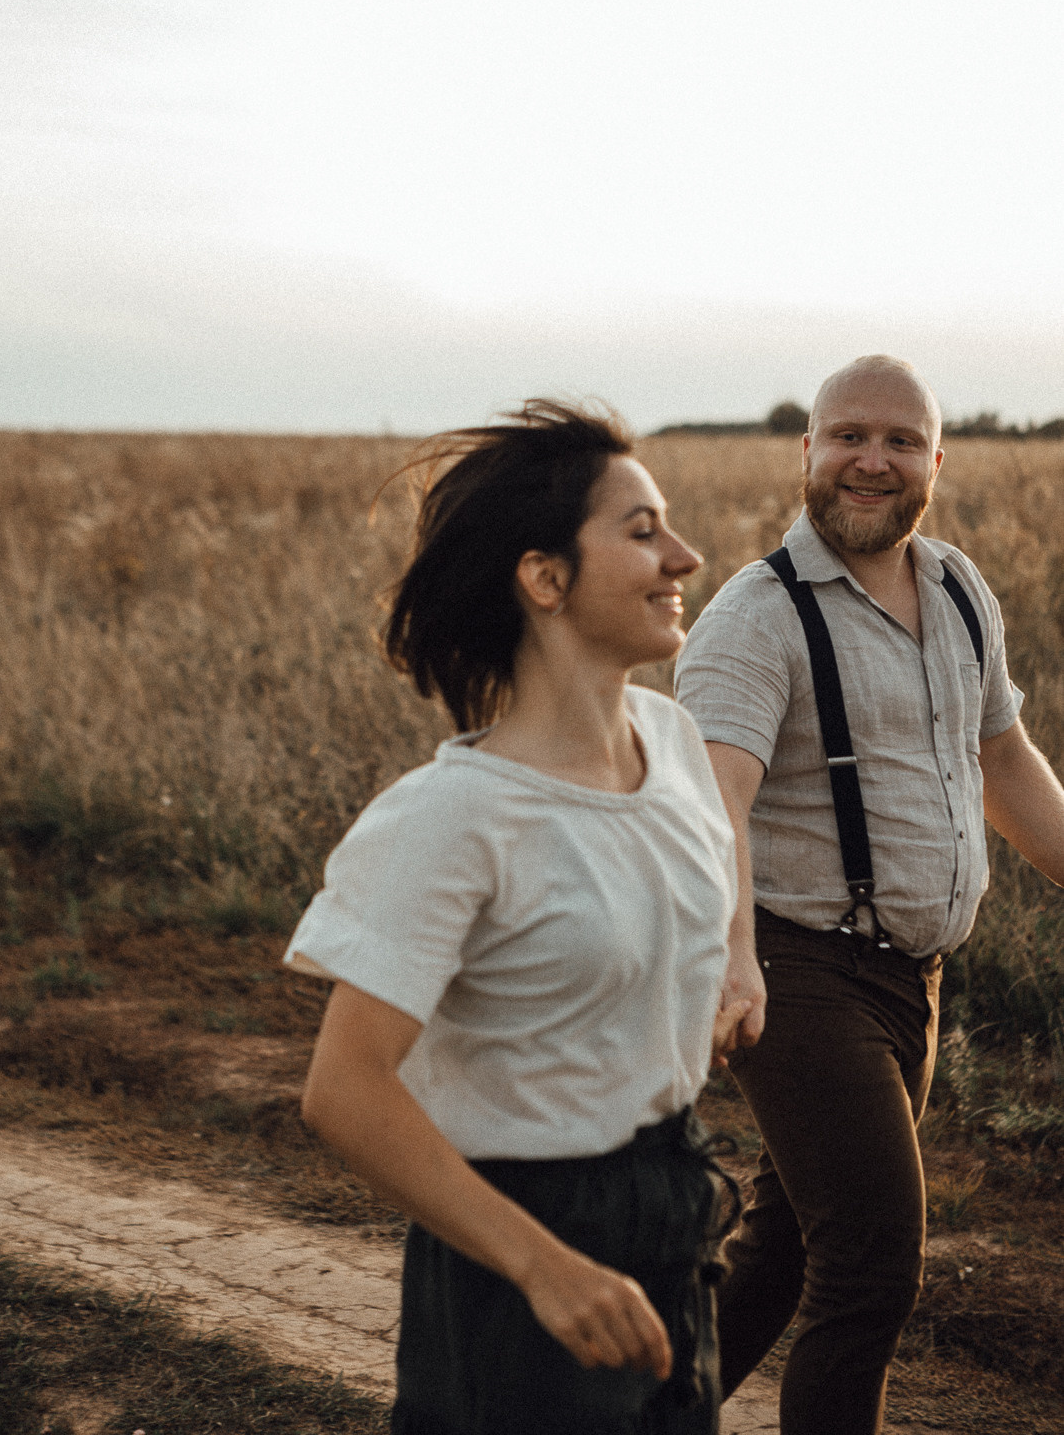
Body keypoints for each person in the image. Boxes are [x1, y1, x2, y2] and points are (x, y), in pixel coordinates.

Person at [284, 400, 750, 1435]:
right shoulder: (453, 817)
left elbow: (689, 886)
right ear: (543, 579)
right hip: (519, 1241)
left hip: (671, 1205)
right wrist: (545, 1268)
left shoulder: (671, 744)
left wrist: (718, 977)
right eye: (640, 531)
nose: (684, 555)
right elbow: (344, 1090)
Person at [674, 355, 1064, 1435]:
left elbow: (1007, 764)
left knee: (787, 1247)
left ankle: (624, 1417)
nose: (870, 460)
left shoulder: (953, 589)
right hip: (795, 970)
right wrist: (731, 956)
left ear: (934, 461)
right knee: (869, 1270)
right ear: (806, 450)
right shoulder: (755, 616)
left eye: (898, 441)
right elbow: (713, 805)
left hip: (910, 982)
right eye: (847, 434)